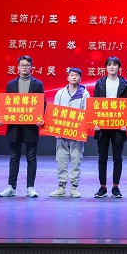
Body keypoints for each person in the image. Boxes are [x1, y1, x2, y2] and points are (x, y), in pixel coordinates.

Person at [0, 55, 44, 198]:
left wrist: (40, 117)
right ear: (17, 67)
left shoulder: (38, 84)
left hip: (30, 127)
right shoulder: (11, 84)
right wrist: (2, 117)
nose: (24, 67)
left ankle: (30, 188)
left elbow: (42, 104)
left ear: (31, 67)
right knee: (14, 157)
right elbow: (6, 104)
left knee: (31, 157)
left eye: (27, 65)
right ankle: (11, 187)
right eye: (22, 65)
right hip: (14, 127)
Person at [92, 57, 127, 199]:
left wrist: (125, 123)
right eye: (109, 65)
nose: (112, 67)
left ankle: (115, 187)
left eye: (115, 65)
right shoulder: (100, 84)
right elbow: (95, 104)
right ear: (106, 68)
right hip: (102, 127)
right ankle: (102, 187)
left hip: (118, 127)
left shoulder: (125, 84)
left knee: (117, 158)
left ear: (119, 67)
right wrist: (95, 123)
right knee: (102, 158)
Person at [49, 67, 89, 198]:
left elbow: (87, 113)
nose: (74, 77)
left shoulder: (84, 94)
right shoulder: (60, 93)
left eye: (76, 75)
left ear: (80, 78)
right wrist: (55, 129)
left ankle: (74, 187)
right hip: (62, 133)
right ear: (68, 77)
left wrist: (82, 130)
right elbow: (55, 111)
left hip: (76, 134)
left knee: (76, 160)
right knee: (61, 159)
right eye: (71, 75)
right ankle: (61, 187)